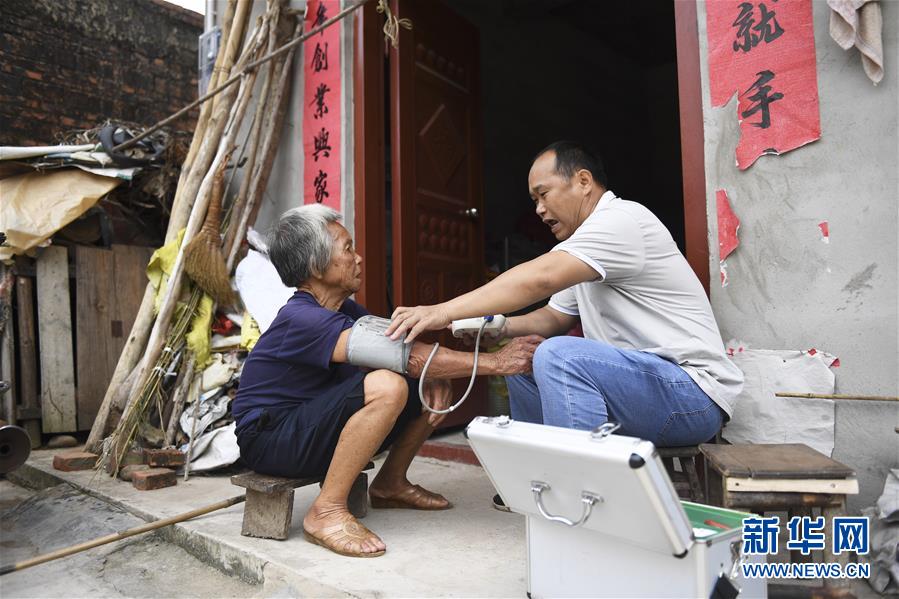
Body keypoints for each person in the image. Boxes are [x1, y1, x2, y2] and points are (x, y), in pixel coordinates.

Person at [387, 140, 744, 453]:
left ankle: (581, 494)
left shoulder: (622, 221)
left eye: (544, 194)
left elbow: (539, 279)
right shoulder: (585, 248)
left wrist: (442, 311)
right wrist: (497, 326)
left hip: (690, 396)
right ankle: (538, 477)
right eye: (534, 200)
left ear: (583, 181)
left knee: (558, 355)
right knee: (523, 357)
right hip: (644, 389)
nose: (539, 209)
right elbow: (554, 318)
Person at [232, 204, 541, 557]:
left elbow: (401, 345)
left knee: (432, 384)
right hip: (270, 438)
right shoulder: (301, 318)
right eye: (347, 249)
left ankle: (390, 484)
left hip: (305, 426)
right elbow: (408, 358)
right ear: (317, 266)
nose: (358, 258)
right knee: (389, 385)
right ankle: (326, 512)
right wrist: (498, 361)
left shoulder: (341, 309)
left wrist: (436, 374)